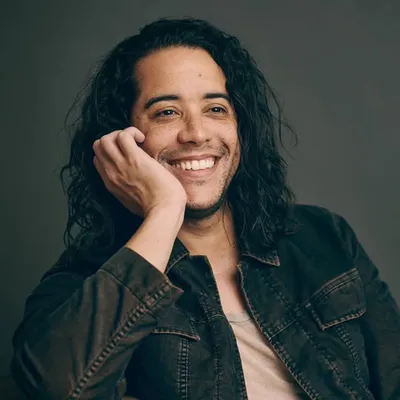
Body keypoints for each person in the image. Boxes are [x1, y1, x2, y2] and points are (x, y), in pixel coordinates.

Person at [10, 17, 400, 400]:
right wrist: (165, 210)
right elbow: (58, 389)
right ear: (122, 140)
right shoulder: (87, 281)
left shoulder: (324, 236)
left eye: (215, 109)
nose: (196, 134)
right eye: (166, 112)